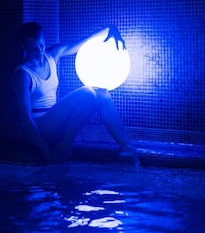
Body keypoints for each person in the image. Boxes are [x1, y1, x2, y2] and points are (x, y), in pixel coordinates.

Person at [13, 21, 137, 164]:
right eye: (34, 48)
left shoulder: (52, 55)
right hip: (38, 128)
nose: (40, 51)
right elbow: (26, 120)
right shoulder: (23, 74)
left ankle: (126, 148)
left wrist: (112, 30)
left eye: (41, 44)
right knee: (88, 92)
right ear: (23, 47)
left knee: (102, 92)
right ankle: (66, 145)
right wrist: (46, 152)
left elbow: (84, 42)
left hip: (54, 123)